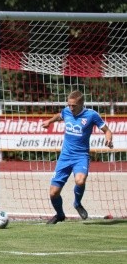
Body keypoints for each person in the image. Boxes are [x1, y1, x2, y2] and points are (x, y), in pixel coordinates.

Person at [41, 90, 114, 224]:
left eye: (73, 105)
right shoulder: (67, 111)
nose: (71, 108)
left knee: (80, 181)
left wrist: (108, 139)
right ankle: (60, 214)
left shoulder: (91, 115)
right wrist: (49, 121)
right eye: (69, 105)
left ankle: (77, 203)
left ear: (81, 104)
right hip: (65, 157)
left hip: (81, 156)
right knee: (53, 193)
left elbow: (107, 130)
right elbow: (60, 115)